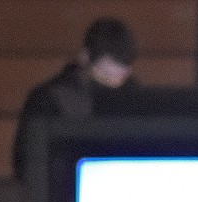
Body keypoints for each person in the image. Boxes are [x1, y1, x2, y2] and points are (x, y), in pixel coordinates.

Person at [12, 17, 139, 180]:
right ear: (84, 57)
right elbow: (24, 162)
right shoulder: (47, 99)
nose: (114, 83)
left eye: (121, 75)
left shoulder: (135, 96)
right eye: (106, 75)